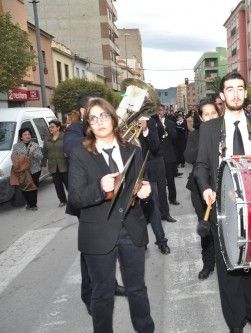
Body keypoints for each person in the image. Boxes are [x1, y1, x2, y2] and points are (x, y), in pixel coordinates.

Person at [194, 72, 251, 333]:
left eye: (240, 88)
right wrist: (206, 188)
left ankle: (250, 310)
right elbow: (201, 167)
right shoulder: (208, 128)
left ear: (246, 92)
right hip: (224, 209)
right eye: (230, 89)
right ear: (222, 96)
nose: (236, 94)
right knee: (229, 268)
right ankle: (235, 323)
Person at [68, 97, 155, 333]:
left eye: (104, 116)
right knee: (102, 294)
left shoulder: (133, 150)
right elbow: (74, 198)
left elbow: (140, 185)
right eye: (93, 118)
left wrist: (146, 192)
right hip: (98, 234)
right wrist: (99, 187)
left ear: (113, 119)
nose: (99, 122)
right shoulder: (79, 154)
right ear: (89, 125)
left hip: (132, 230)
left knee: (137, 289)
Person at [62, 92, 126, 315]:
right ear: (83, 113)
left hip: (114, 199)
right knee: (91, 252)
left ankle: (111, 283)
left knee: (112, 244)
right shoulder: (73, 131)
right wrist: (101, 135)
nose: (99, 117)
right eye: (94, 113)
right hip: (89, 198)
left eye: (104, 114)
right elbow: (72, 148)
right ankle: (90, 294)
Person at [184, 99, 219, 280]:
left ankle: (225, 262)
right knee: (205, 228)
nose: (211, 117)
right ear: (201, 117)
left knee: (223, 227)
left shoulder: (226, 132)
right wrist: (205, 139)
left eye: (214, 113)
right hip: (200, 189)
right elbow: (189, 156)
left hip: (223, 187)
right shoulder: (195, 135)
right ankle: (208, 264)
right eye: (207, 114)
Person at [138, 116, 171, 254]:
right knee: (135, 211)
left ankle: (161, 241)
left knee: (153, 206)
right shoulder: (123, 122)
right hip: (130, 172)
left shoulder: (150, 120)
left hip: (148, 172)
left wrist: (145, 130)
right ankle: (140, 242)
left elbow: (155, 146)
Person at [151, 106, 179, 212]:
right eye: (157, 110)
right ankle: (160, 203)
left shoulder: (170, 123)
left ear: (165, 111)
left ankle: (173, 198)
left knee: (170, 179)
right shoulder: (152, 123)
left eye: (161, 110)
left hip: (168, 154)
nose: (159, 112)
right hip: (157, 155)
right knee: (159, 182)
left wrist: (165, 128)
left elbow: (174, 137)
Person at [11, 127, 43, 210]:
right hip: (23, 171)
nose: (27, 136)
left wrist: (34, 153)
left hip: (34, 170)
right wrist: (20, 158)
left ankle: (33, 205)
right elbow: (13, 157)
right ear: (21, 137)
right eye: (25, 134)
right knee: (24, 188)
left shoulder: (34, 145)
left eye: (28, 134)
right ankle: (28, 203)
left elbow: (40, 157)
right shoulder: (16, 146)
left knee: (33, 187)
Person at [42, 120, 69, 207]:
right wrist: (43, 164)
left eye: (52, 127)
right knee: (58, 185)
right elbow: (44, 152)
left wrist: (68, 154)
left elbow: (70, 148)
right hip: (53, 166)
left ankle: (73, 199)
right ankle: (62, 200)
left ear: (58, 127)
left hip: (64, 164)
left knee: (68, 184)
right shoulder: (47, 139)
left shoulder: (65, 137)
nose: (50, 128)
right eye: (49, 127)